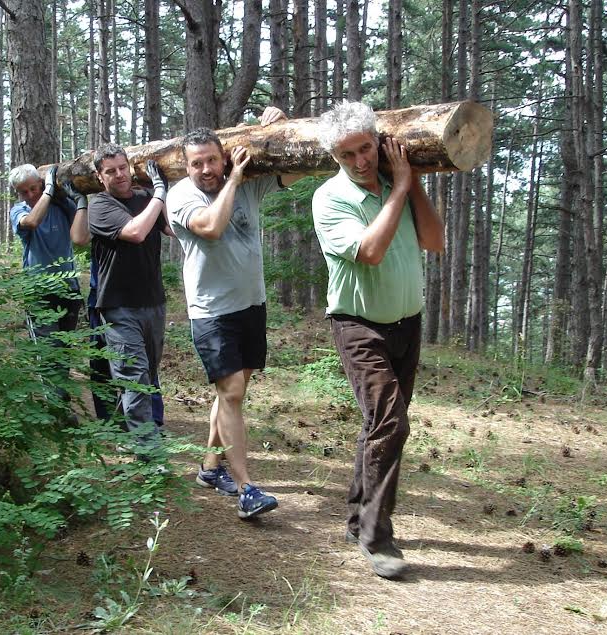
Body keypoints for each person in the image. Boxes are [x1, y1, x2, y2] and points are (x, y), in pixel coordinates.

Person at [311, 101, 444, 578]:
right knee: (391, 423)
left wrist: (413, 183)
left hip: (407, 322)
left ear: (379, 143)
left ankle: (355, 515)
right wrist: (401, 190)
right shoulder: (330, 198)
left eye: (366, 149)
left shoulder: (397, 186)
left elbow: (433, 240)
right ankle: (376, 535)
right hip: (358, 325)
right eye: (347, 155)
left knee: (379, 425)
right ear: (336, 159)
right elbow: (369, 251)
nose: (360, 161)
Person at [167, 107, 300, 519]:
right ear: (186, 167)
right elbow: (211, 227)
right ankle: (246, 489)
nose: (206, 169)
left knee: (231, 391)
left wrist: (276, 129)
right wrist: (236, 178)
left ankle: (209, 467)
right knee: (233, 393)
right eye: (197, 163)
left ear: (223, 156)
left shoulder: (249, 184)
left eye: (212, 160)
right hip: (211, 312)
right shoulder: (181, 197)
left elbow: (298, 171)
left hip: (251, 305)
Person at [88, 144, 172, 450]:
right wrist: (160, 194)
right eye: (110, 171)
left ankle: (128, 432)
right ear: (100, 176)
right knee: (133, 377)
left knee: (147, 374)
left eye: (123, 167)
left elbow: (172, 229)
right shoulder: (100, 206)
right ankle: (149, 452)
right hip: (118, 306)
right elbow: (135, 232)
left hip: (154, 302)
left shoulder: (144, 198)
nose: (119, 174)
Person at [9, 162, 90, 348]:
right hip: (39, 292)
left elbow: (83, 237)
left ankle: (63, 378)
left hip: (68, 289)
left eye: (33, 188)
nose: (30, 195)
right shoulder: (19, 211)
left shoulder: (62, 206)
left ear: (40, 184)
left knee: (64, 349)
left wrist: (80, 202)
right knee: (46, 351)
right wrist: (48, 191)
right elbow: (32, 222)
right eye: (24, 192)